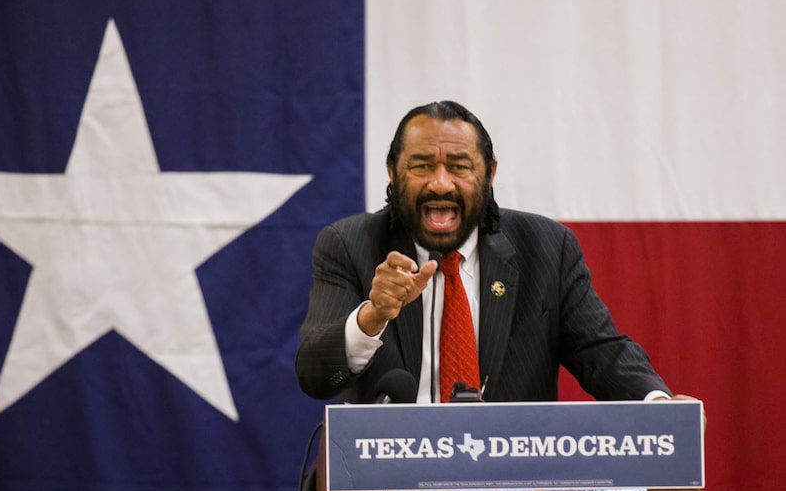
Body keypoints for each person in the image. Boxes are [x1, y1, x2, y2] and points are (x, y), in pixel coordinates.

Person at [295, 100, 696, 406]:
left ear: (489, 173)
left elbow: (599, 351)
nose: (440, 183)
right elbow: (315, 376)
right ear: (392, 172)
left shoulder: (546, 248)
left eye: (459, 166)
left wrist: (659, 407)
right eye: (421, 166)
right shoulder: (350, 245)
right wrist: (372, 316)